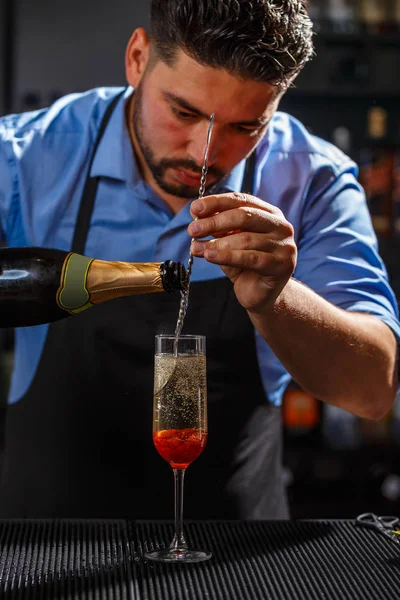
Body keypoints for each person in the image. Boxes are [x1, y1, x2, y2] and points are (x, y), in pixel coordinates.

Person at [0, 0, 398, 520]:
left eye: (244, 127)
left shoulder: (314, 180)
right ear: (138, 57)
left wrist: (277, 299)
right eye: (184, 112)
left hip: (235, 549)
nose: (204, 154)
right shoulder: (26, 156)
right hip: (51, 544)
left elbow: (373, 391)